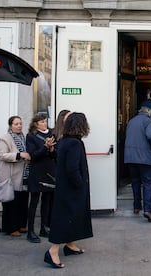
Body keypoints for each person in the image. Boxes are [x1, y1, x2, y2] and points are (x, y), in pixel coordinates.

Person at [45, 112, 93, 269]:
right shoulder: (74, 143)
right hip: (72, 189)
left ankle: (70, 245)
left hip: (65, 187)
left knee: (71, 216)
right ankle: (53, 251)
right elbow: (72, 168)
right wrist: (80, 184)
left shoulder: (66, 141)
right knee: (66, 218)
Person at [124, 105, 151, 223]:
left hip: (130, 157)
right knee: (148, 184)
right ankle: (148, 210)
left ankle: (137, 206)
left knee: (135, 182)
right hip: (145, 158)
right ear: (149, 112)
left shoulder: (131, 121)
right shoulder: (149, 121)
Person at [0, 116, 31, 236]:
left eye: (20, 123)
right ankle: (11, 228)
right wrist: (19, 155)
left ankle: (21, 225)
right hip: (10, 176)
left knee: (22, 201)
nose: (19, 126)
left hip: (23, 175)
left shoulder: (23, 137)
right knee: (11, 203)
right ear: (10, 125)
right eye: (16, 124)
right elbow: (2, 155)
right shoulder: (4, 138)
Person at [26, 114, 57, 243]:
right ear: (36, 124)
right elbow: (33, 155)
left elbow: (55, 154)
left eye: (45, 121)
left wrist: (51, 149)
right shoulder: (31, 136)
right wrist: (45, 147)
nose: (44, 123)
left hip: (49, 171)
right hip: (37, 171)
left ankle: (44, 227)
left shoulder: (51, 134)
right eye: (42, 122)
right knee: (34, 201)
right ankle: (31, 231)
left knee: (47, 200)